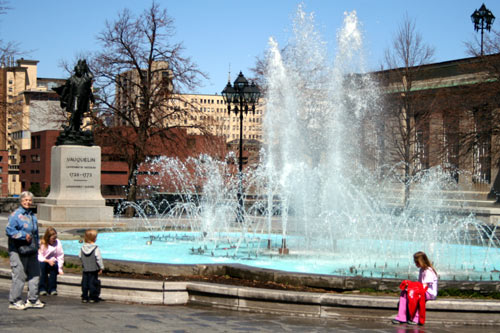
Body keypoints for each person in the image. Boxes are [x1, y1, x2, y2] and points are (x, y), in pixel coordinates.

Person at [5, 191, 45, 310]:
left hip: (31, 249)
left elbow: (35, 233)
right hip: (17, 250)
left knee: (35, 273)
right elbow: (9, 231)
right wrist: (23, 235)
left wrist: (38, 245)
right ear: (21, 201)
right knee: (19, 275)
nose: (27, 202)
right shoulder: (16, 215)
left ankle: (33, 299)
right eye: (25, 200)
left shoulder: (32, 215)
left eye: (29, 200)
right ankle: (15, 301)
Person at [392, 251, 438, 325]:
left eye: (417, 262)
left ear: (421, 261)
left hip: (429, 293)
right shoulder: (422, 270)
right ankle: (401, 317)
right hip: (423, 290)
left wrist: (412, 289)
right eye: (415, 262)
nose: (415, 264)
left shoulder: (428, 271)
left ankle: (416, 318)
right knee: (404, 292)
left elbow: (424, 286)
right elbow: (420, 285)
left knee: (415, 295)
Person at [79, 229, 104, 303]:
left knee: (84, 283)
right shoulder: (96, 248)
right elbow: (98, 258)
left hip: (85, 268)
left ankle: (84, 296)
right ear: (94, 239)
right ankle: (92, 297)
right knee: (92, 283)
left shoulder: (82, 248)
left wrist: (84, 263)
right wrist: (101, 267)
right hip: (93, 269)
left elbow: (80, 256)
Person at [38, 227, 64, 296]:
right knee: (42, 266)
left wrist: (60, 268)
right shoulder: (42, 243)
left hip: (52, 261)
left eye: (55, 238)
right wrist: (47, 260)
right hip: (44, 261)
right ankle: (42, 288)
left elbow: (60, 255)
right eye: (52, 239)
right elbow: (39, 256)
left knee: (54, 266)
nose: (54, 240)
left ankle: (52, 288)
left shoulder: (57, 242)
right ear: (48, 238)